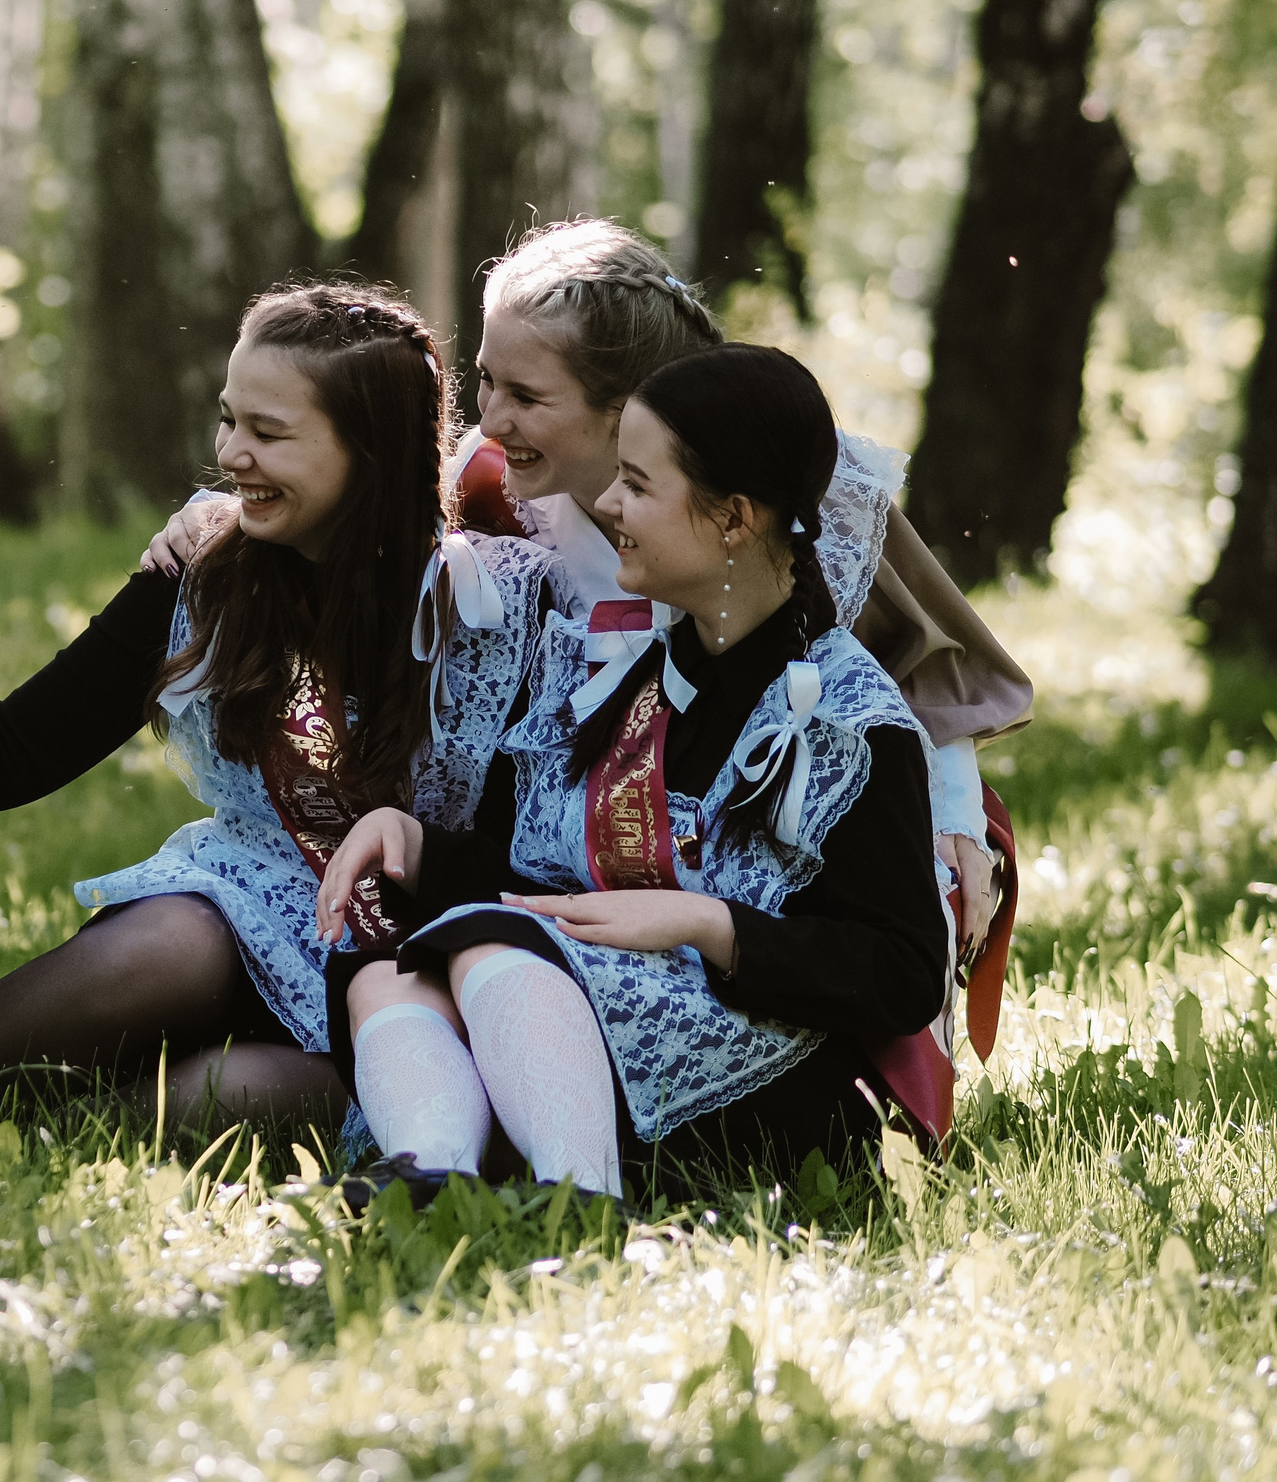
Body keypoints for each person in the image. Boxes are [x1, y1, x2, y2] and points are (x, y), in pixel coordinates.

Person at [154, 219, 1031, 969]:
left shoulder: (776, 484)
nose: (489, 419)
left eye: (527, 395)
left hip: (780, 827)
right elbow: (350, 532)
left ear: (628, 409)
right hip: (572, 833)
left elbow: (916, 669)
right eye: (486, 381)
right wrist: (214, 525)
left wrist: (954, 820)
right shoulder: (492, 492)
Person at [0, 283, 548, 1144]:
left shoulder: (500, 610)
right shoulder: (205, 570)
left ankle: (30, 1139)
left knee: (218, 1098)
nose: (230, 453)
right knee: (172, 937)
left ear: (369, 451)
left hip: (416, 966)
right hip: (239, 914)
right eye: (229, 421)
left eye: (268, 433)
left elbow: (535, 861)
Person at [316, 346, 946, 1199]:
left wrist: (707, 924)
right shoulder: (622, 686)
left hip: (782, 1095)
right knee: (389, 960)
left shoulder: (849, 723)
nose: (609, 504)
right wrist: (415, 847)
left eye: (639, 485)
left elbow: (902, 975)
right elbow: (530, 884)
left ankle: (577, 1200)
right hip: (587, 1028)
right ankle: (430, 1178)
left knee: (493, 949)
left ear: (733, 519)